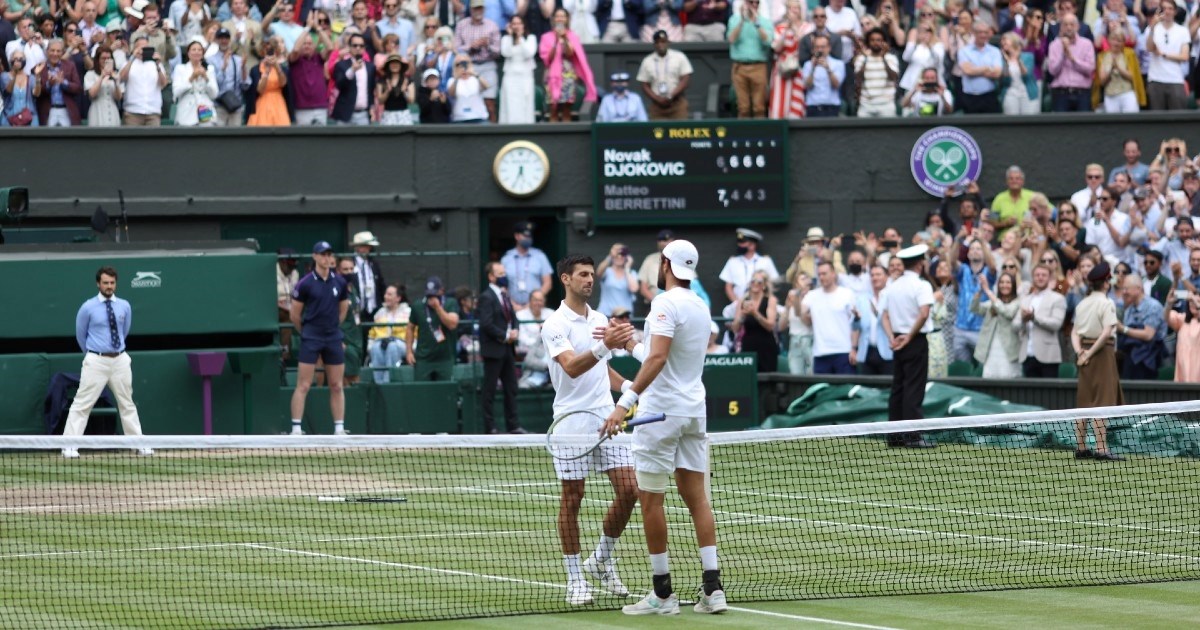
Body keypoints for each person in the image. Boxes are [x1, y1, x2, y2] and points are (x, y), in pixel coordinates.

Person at [601, 239, 727, 616]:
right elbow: (663, 358)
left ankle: (663, 594)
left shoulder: (663, 303)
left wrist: (622, 405)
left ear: (668, 265)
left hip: (659, 415)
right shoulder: (701, 307)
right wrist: (632, 345)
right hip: (693, 413)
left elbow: (657, 358)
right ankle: (713, 589)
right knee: (697, 500)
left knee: (651, 499)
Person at [541, 253, 639, 606]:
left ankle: (600, 559)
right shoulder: (554, 324)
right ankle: (574, 578)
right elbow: (571, 367)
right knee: (573, 497)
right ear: (565, 279)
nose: (589, 280)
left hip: (605, 417)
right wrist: (604, 345)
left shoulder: (600, 320)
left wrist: (628, 387)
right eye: (582, 275)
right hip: (570, 421)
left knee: (631, 490)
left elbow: (601, 371)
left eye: (591, 275)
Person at [61, 266, 153, 459]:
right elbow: (81, 334)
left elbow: (124, 330)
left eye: (112, 283)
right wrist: (93, 354)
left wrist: (115, 352)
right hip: (96, 360)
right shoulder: (87, 307)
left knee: (127, 403)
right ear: (98, 284)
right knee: (82, 403)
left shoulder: (124, 306)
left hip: (120, 360)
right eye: (105, 283)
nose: (109, 286)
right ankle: (68, 446)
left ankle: (138, 444)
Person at [289, 241, 351, 436]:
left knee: (336, 384)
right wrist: (308, 332)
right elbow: (295, 315)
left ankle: (339, 428)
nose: (326, 258)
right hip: (311, 337)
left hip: (333, 337)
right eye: (322, 254)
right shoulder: (305, 283)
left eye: (329, 254)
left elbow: (343, 309)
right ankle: (296, 428)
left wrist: (332, 327)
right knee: (304, 384)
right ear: (315, 257)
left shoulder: (340, 282)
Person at [880, 244, 936, 448]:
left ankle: (894, 437)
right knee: (913, 388)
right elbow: (924, 313)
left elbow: (884, 315)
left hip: (897, 341)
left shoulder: (892, 286)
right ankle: (912, 437)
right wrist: (910, 336)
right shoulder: (922, 286)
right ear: (921, 263)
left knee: (899, 388)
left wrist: (892, 338)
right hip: (914, 341)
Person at [1070, 262, 1124, 460]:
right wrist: (1090, 353)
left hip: (1085, 355)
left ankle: (1081, 447)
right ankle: (1101, 449)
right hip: (1101, 354)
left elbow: (1075, 332)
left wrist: (1080, 353)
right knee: (1101, 402)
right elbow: (1107, 331)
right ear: (1107, 283)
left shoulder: (1082, 303)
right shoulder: (1107, 303)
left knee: (1084, 402)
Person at [476, 261, 526, 433]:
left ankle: (513, 425)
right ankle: (490, 427)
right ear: (491, 277)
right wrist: (505, 335)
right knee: (489, 390)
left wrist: (516, 331)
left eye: (504, 273)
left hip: (508, 350)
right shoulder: (486, 297)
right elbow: (486, 323)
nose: (504, 277)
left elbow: (514, 318)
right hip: (494, 350)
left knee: (511, 388)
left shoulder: (505, 296)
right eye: (500, 274)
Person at [539, 8, 596, 122]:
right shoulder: (546, 37)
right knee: (553, 109)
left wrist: (564, 38)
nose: (560, 18)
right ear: (553, 19)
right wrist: (556, 40)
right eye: (557, 16)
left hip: (568, 73)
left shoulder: (572, 36)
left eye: (563, 16)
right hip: (552, 75)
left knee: (566, 108)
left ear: (567, 19)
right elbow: (547, 59)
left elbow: (570, 54)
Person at [801, 261, 856, 375]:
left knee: (845, 390)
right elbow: (802, 316)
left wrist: (854, 348)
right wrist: (798, 292)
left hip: (843, 352)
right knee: (822, 391)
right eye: (819, 274)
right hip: (821, 353)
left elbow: (855, 324)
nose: (821, 277)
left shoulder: (847, 294)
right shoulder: (812, 295)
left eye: (824, 273)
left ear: (833, 274)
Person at [405, 275, 460, 381]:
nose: (431, 297)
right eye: (429, 295)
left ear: (441, 291)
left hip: (445, 358)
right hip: (424, 358)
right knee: (422, 391)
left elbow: (452, 324)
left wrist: (438, 307)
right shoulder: (418, 305)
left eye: (434, 294)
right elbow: (410, 328)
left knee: (445, 391)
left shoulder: (450, 303)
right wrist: (409, 351)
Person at [1016, 264, 1066, 377]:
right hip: (1027, 354)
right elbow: (1017, 326)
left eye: (1044, 275)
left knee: (1049, 394)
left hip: (1048, 356)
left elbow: (1056, 324)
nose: (1040, 277)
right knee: (1029, 394)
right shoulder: (1025, 299)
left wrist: (1034, 318)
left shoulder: (1058, 298)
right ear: (1032, 277)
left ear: (1049, 278)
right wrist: (1023, 321)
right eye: (1037, 275)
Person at [454, 0, 500, 122]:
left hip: (488, 65)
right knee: (468, 102)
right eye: (475, 8)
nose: (478, 11)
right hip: (468, 66)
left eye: (480, 8)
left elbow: (497, 51)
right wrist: (471, 46)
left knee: (490, 103)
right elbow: (456, 48)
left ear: (484, 9)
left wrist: (487, 45)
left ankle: (493, 135)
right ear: (471, 9)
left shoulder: (492, 25)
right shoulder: (462, 25)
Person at [726, 0, 773, 118]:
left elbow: (767, 41)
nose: (754, 5)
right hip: (739, 67)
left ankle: (762, 135)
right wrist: (742, 21)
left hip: (758, 66)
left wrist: (757, 23)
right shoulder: (734, 20)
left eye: (756, 2)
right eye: (750, 2)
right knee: (743, 107)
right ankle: (742, 135)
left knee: (759, 107)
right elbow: (731, 39)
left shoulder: (765, 22)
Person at [971, 271, 1021, 378]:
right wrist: (980, 291)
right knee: (990, 377)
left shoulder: (1017, 302)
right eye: (1002, 282)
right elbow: (975, 309)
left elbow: (1008, 312)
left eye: (1008, 282)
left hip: (1008, 349)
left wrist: (988, 291)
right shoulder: (992, 303)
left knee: (1007, 377)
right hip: (991, 348)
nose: (1004, 285)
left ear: (1013, 285)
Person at [1117, 272, 1165, 380]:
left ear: (1138, 289)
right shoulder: (1129, 309)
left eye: (1127, 289)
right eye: (1123, 289)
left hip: (1148, 360)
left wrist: (1122, 329)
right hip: (1130, 360)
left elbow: (1148, 335)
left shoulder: (1152, 306)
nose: (1124, 292)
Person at [1144, 0, 1189, 111]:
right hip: (1155, 79)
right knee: (1157, 121)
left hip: (1175, 80)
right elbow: (1150, 48)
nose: (1167, 12)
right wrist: (1153, 27)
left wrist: (1164, 54)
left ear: (1175, 11)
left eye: (1170, 8)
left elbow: (1184, 56)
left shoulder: (1182, 30)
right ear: (1159, 11)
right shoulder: (1151, 29)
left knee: (1178, 120)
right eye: (1164, 8)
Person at [637, 29, 692, 120]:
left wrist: (671, 95)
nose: (660, 45)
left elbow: (685, 79)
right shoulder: (647, 60)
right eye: (657, 42)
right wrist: (657, 98)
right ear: (654, 44)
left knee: (679, 131)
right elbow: (644, 84)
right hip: (657, 104)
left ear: (668, 42)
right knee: (657, 132)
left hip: (677, 102)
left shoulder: (679, 57)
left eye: (663, 42)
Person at [731, 269, 778, 372]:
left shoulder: (770, 300)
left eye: (759, 282)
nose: (755, 284)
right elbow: (735, 328)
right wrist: (742, 315)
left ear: (764, 285)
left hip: (766, 347)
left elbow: (770, 325)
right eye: (753, 281)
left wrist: (755, 313)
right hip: (748, 346)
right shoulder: (742, 300)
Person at [501, 220, 554, 310]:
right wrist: (511, 304)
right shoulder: (507, 258)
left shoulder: (540, 256)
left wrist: (534, 301)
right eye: (525, 236)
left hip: (535, 308)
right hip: (512, 308)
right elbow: (502, 285)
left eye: (529, 236)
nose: (528, 239)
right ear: (516, 236)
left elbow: (547, 283)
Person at [718, 227, 779, 304]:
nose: (739, 245)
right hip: (738, 303)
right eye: (739, 242)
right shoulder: (733, 262)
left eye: (743, 242)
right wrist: (737, 303)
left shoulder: (765, 261)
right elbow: (728, 286)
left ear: (752, 245)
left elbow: (771, 284)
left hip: (761, 305)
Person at [118, 32, 167, 126]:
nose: (142, 50)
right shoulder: (128, 63)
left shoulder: (156, 64)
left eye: (145, 47)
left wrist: (157, 65)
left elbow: (163, 83)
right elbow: (122, 77)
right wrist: (133, 57)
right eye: (140, 47)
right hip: (133, 112)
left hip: (153, 111)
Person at [767, 0, 806, 119]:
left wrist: (794, 29)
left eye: (796, 8)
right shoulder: (780, 28)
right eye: (791, 8)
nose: (794, 11)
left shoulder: (807, 27)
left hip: (798, 68)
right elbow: (777, 48)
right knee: (779, 100)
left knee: (796, 103)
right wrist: (787, 29)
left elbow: (804, 46)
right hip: (782, 68)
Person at [854, 264, 893, 375]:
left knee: (888, 388)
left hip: (888, 351)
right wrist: (854, 348)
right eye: (872, 275)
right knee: (866, 390)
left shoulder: (892, 296)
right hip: (866, 352)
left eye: (878, 274)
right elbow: (855, 328)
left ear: (886, 277)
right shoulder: (862, 299)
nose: (875, 278)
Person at [172, 37, 219, 126]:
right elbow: (176, 92)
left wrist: (206, 78)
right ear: (188, 53)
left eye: (199, 50)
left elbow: (214, 94)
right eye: (193, 50)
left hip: (205, 108)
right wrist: (191, 78)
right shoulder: (180, 68)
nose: (197, 52)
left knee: (206, 135)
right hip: (186, 109)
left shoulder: (209, 69)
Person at [368, 284, 410, 383]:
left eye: (390, 294)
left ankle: (387, 384)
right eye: (386, 294)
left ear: (398, 298)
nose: (386, 297)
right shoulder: (379, 313)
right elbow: (372, 334)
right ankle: (379, 384)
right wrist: (370, 347)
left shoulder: (408, 312)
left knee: (392, 347)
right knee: (375, 348)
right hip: (380, 342)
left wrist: (412, 349)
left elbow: (414, 332)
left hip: (401, 343)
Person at [498, 14, 536, 123]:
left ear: (523, 25)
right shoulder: (506, 39)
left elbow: (529, 53)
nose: (516, 26)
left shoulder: (530, 38)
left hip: (525, 77)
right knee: (510, 105)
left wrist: (519, 38)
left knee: (525, 105)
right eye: (513, 24)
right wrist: (511, 37)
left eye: (519, 23)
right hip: (510, 77)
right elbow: (506, 53)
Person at [332, 32, 376, 124]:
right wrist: (352, 70)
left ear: (365, 48)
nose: (358, 48)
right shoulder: (341, 65)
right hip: (345, 114)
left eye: (361, 45)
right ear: (349, 47)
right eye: (355, 45)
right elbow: (339, 84)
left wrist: (372, 108)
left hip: (364, 114)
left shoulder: (370, 67)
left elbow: (371, 90)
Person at [335, 257, 364, 387]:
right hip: (343, 337)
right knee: (347, 376)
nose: (349, 272)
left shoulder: (353, 289)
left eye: (351, 269)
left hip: (356, 337)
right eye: (345, 269)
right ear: (338, 271)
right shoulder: (336, 291)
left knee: (355, 373)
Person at [596, 242, 639, 316]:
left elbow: (634, 289)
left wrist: (627, 268)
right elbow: (598, 272)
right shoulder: (607, 271)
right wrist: (610, 256)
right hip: (606, 314)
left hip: (624, 316)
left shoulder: (631, 273)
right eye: (616, 255)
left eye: (622, 254)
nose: (619, 257)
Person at [1166, 291, 1200, 383]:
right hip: (1183, 362)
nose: (1193, 304)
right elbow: (1166, 317)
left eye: (1198, 301)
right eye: (1191, 302)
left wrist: (1194, 299)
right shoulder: (1182, 320)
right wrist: (1169, 303)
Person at [2, 50, 40, 126]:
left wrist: (38, 78)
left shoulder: (31, 78)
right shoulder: (4, 76)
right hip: (9, 118)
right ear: (11, 61)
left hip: (29, 117)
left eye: (20, 59)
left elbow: (36, 94)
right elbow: (7, 91)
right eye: (15, 59)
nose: (18, 61)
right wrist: (15, 74)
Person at [376, 53, 414, 124]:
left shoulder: (407, 80)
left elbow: (411, 100)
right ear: (388, 65)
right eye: (392, 63)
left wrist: (404, 92)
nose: (394, 65)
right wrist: (387, 91)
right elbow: (380, 101)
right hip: (388, 114)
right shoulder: (382, 81)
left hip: (404, 114)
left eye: (397, 63)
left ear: (401, 65)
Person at [448, 55, 488, 122]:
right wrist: (457, 76)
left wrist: (474, 73)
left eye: (465, 63)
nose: (463, 67)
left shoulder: (476, 79)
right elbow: (451, 93)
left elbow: (486, 86)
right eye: (458, 64)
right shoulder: (452, 81)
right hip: (460, 119)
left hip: (479, 117)